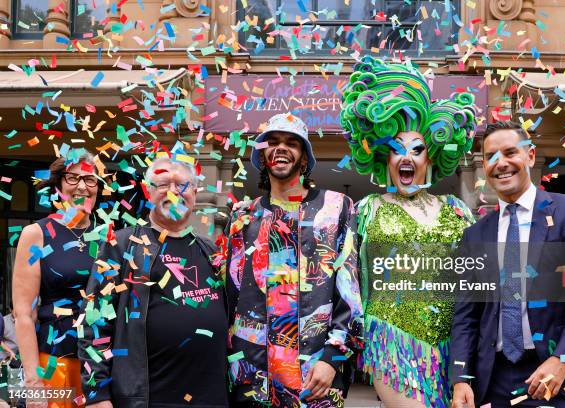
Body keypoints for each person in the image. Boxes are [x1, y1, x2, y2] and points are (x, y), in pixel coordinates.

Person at [339, 56, 478, 408]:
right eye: (397, 150)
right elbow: (347, 281)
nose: (407, 158)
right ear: (385, 159)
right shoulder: (367, 209)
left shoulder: (457, 210)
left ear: (430, 158)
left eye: (417, 150)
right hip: (391, 342)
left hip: (454, 348)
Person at [451, 121, 565, 407]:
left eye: (511, 152)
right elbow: (466, 315)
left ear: (531, 156)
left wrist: (561, 360)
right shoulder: (475, 235)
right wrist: (460, 378)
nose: (502, 163)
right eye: (491, 156)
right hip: (491, 383)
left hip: (555, 380)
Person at [214, 112, 364, 407]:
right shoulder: (243, 215)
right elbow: (228, 292)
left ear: (304, 159)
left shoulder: (336, 208)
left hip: (315, 375)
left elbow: (350, 291)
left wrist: (333, 357)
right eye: (272, 141)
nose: (281, 147)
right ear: (262, 155)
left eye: (291, 143)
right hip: (251, 375)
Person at [78, 155, 228, 408]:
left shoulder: (211, 251)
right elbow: (93, 322)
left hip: (211, 398)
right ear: (148, 192)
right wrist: (96, 396)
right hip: (148, 399)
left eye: (182, 185)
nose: (173, 192)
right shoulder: (121, 246)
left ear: (194, 192)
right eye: (162, 184)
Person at [13, 150, 102, 408]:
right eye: (73, 178)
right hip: (54, 367)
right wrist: (33, 385)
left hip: (100, 370)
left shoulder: (110, 236)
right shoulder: (36, 234)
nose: (82, 186)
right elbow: (23, 314)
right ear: (59, 185)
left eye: (90, 179)